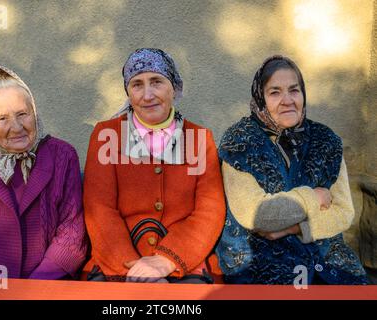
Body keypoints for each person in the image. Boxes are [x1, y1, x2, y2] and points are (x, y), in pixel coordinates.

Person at [215, 55, 369, 284]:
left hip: (327, 255)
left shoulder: (326, 141)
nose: (287, 100)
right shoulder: (239, 141)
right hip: (259, 260)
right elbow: (257, 215)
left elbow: (344, 212)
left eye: (294, 90)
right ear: (260, 98)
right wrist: (314, 197)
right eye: (275, 92)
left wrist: (296, 228)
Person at [82, 48, 226, 283]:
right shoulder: (107, 135)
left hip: (183, 263)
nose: (147, 95)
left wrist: (166, 261)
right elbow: (100, 209)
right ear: (128, 92)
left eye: (156, 82)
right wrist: (133, 266)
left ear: (174, 88)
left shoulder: (198, 138)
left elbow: (209, 211)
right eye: (137, 85)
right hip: (118, 264)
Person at [0, 66, 87, 279]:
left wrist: (32, 289)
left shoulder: (63, 156)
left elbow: (71, 236)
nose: (16, 127)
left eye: (22, 114)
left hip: (47, 287)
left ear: (34, 112)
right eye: (2, 118)